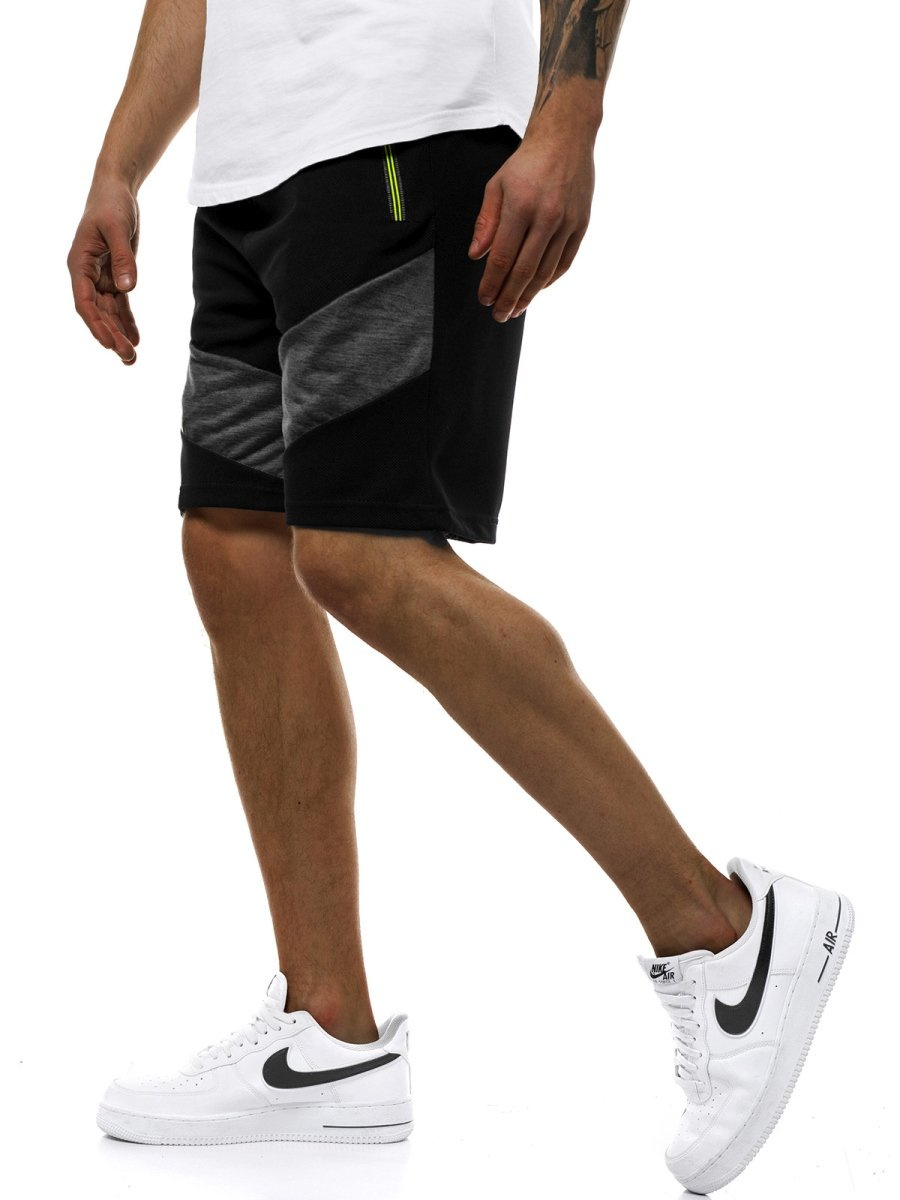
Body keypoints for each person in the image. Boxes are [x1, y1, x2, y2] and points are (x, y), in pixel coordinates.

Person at [68, 1, 853, 1190]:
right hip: (247, 175)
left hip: (401, 130)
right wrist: (119, 164)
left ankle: (726, 934)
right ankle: (328, 1035)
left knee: (357, 550)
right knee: (234, 543)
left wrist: (570, 113)